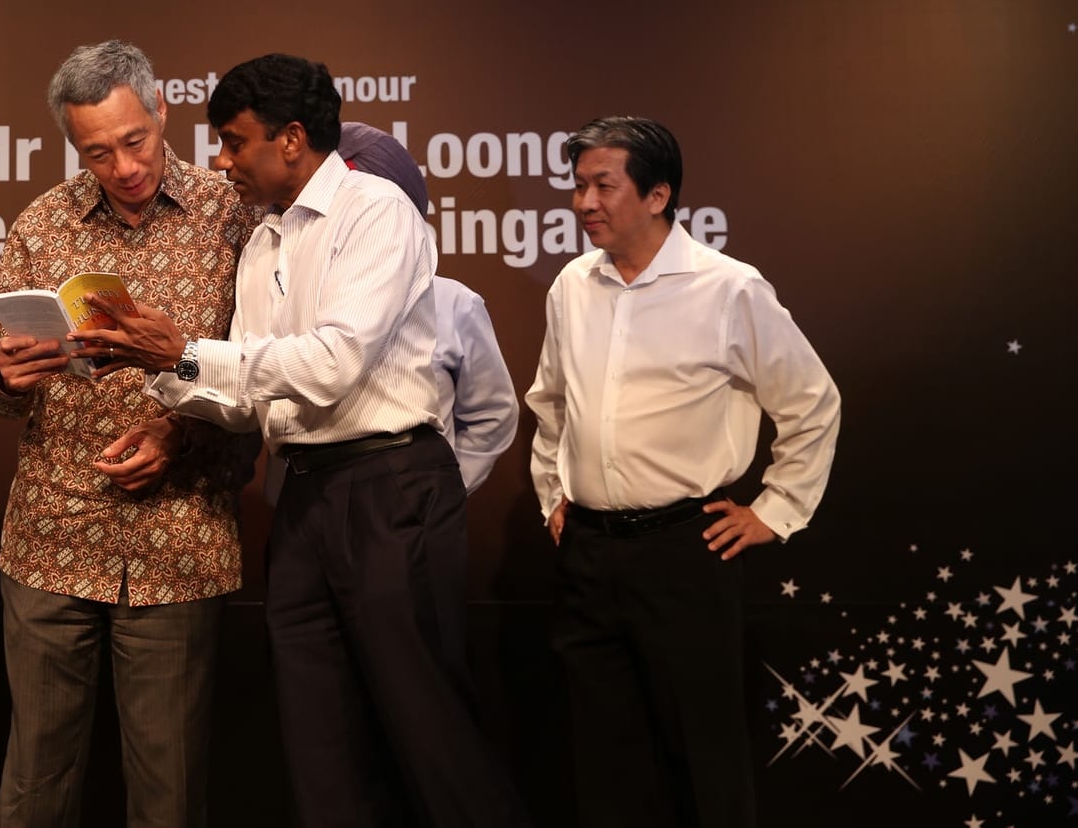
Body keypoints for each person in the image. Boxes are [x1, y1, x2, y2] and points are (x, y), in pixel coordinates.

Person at [81, 56, 529, 828]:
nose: (219, 163)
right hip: (302, 497)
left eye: (231, 141)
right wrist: (155, 373)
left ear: (291, 139)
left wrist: (183, 349)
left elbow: (330, 365)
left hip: (389, 486)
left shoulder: (374, 210)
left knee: (431, 733)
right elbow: (251, 396)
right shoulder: (262, 242)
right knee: (318, 744)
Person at [0, 39, 261, 828]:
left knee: (168, 787)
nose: (124, 166)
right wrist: (8, 375)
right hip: (51, 532)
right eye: (97, 152)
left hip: (180, 535)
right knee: (36, 780)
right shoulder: (43, 221)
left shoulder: (230, 214)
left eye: (134, 141)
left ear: (161, 109)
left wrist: (178, 435)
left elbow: (262, 378)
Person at [526, 115, 842, 828]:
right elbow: (551, 403)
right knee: (604, 758)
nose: (583, 203)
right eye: (577, 186)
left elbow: (811, 402)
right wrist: (552, 491)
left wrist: (775, 507)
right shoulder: (572, 284)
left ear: (657, 193)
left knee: (702, 754)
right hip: (587, 551)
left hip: (685, 549)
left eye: (602, 185)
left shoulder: (727, 287)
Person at [337, 121, 518, 496]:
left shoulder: (453, 302)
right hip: (306, 517)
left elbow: (492, 414)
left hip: (414, 518)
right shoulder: (288, 293)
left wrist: (445, 490)